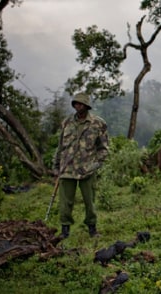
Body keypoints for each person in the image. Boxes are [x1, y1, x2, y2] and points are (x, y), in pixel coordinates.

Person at [53, 92, 109, 238]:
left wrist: (96, 164)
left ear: (86, 106)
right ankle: (65, 231)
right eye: (75, 103)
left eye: (81, 103)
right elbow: (60, 146)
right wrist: (56, 165)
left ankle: (92, 229)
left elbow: (103, 148)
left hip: (87, 169)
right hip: (67, 168)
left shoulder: (98, 123)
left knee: (90, 201)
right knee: (65, 202)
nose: (78, 106)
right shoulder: (66, 123)